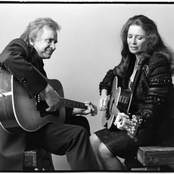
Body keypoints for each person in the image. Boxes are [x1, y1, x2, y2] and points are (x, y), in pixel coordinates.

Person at [0, 17, 100, 171]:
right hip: (17, 133)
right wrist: (45, 88)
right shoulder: (20, 46)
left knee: (80, 123)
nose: (53, 46)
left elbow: (39, 106)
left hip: (32, 127)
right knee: (77, 134)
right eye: (49, 41)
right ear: (32, 40)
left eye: (55, 42)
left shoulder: (38, 63)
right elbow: (7, 57)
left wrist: (73, 109)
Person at [90, 14, 174, 170]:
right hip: (134, 123)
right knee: (92, 141)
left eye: (139, 38)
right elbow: (110, 76)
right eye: (129, 36)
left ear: (150, 39)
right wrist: (104, 94)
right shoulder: (130, 59)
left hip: (155, 128)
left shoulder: (158, 62)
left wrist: (133, 120)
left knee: (104, 150)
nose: (132, 42)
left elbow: (153, 106)